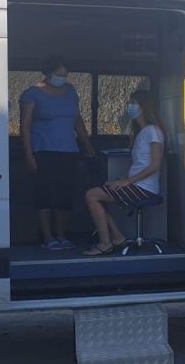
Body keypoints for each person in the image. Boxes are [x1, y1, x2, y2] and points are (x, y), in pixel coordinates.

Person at [20, 57, 95, 250]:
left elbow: (77, 120)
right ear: (47, 73)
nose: (62, 78)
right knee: (43, 193)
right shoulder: (32, 94)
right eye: (58, 74)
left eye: (65, 75)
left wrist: (87, 145)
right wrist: (28, 155)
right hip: (42, 151)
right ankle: (48, 237)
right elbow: (25, 126)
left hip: (69, 150)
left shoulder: (70, 91)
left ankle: (61, 235)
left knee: (66, 194)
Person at [83, 90, 165, 256]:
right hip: (137, 184)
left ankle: (105, 243)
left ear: (144, 106)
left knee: (92, 195)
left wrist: (127, 181)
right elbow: (140, 165)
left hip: (144, 188)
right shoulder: (142, 132)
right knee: (98, 194)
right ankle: (117, 237)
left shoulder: (153, 131)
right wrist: (121, 180)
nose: (129, 106)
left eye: (133, 102)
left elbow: (155, 165)